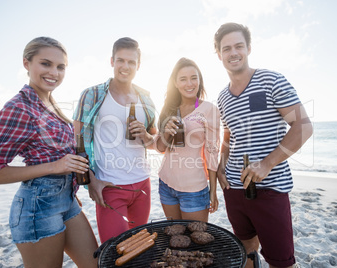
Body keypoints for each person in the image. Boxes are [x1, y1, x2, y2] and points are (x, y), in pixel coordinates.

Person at [0, 37, 98, 267]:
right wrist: (56, 167)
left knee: (96, 264)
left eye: (61, 67)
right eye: (46, 63)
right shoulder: (19, 108)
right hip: (37, 209)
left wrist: (72, 186)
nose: (54, 72)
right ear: (26, 63)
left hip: (67, 200)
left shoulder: (49, 103)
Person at [214, 23, 313, 268]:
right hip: (234, 190)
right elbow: (228, 138)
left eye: (239, 46)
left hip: (270, 189)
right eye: (227, 48)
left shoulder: (271, 80)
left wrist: (267, 164)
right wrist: (220, 167)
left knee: (281, 261)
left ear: (249, 48)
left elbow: (303, 127)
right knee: (245, 249)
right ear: (219, 54)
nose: (233, 52)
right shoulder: (222, 97)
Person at [73, 37, 157, 243]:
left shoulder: (146, 99)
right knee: (113, 252)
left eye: (131, 62)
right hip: (109, 186)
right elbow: (75, 141)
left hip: (142, 186)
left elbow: (155, 141)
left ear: (139, 65)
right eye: (121, 60)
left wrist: (146, 136)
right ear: (112, 61)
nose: (125, 66)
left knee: (137, 251)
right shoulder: (92, 95)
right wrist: (90, 180)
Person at [155, 57, 220, 222]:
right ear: (176, 83)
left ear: (200, 80)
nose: (189, 83)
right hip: (166, 184)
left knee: (194, 240)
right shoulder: (169, 109)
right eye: (183, 79)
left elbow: (212, 153)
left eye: (193, 78)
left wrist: (213, 190)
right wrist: (166, 132)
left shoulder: (208, 110)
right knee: (175, 235)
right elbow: (161, 147)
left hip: (194, 189)